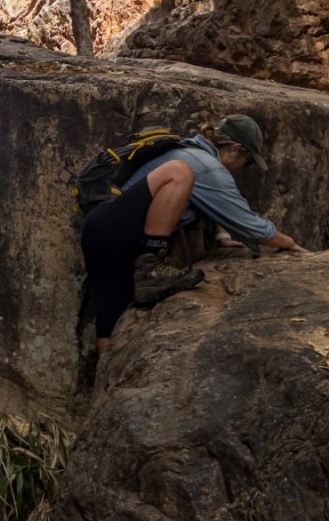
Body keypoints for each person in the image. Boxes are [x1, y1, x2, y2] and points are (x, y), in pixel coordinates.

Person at [81, 114, 307, 354]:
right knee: (179, 172)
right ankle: (150, 265)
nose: (243, 169)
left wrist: (221, 237)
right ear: (235, 149)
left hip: (105, 237)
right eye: (248, 162)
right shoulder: (203, 164)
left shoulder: (190, 151)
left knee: (111, 312)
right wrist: (290, 244)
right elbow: (250, 225)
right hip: (116, 225)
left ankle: (105, 379)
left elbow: (207, 201)